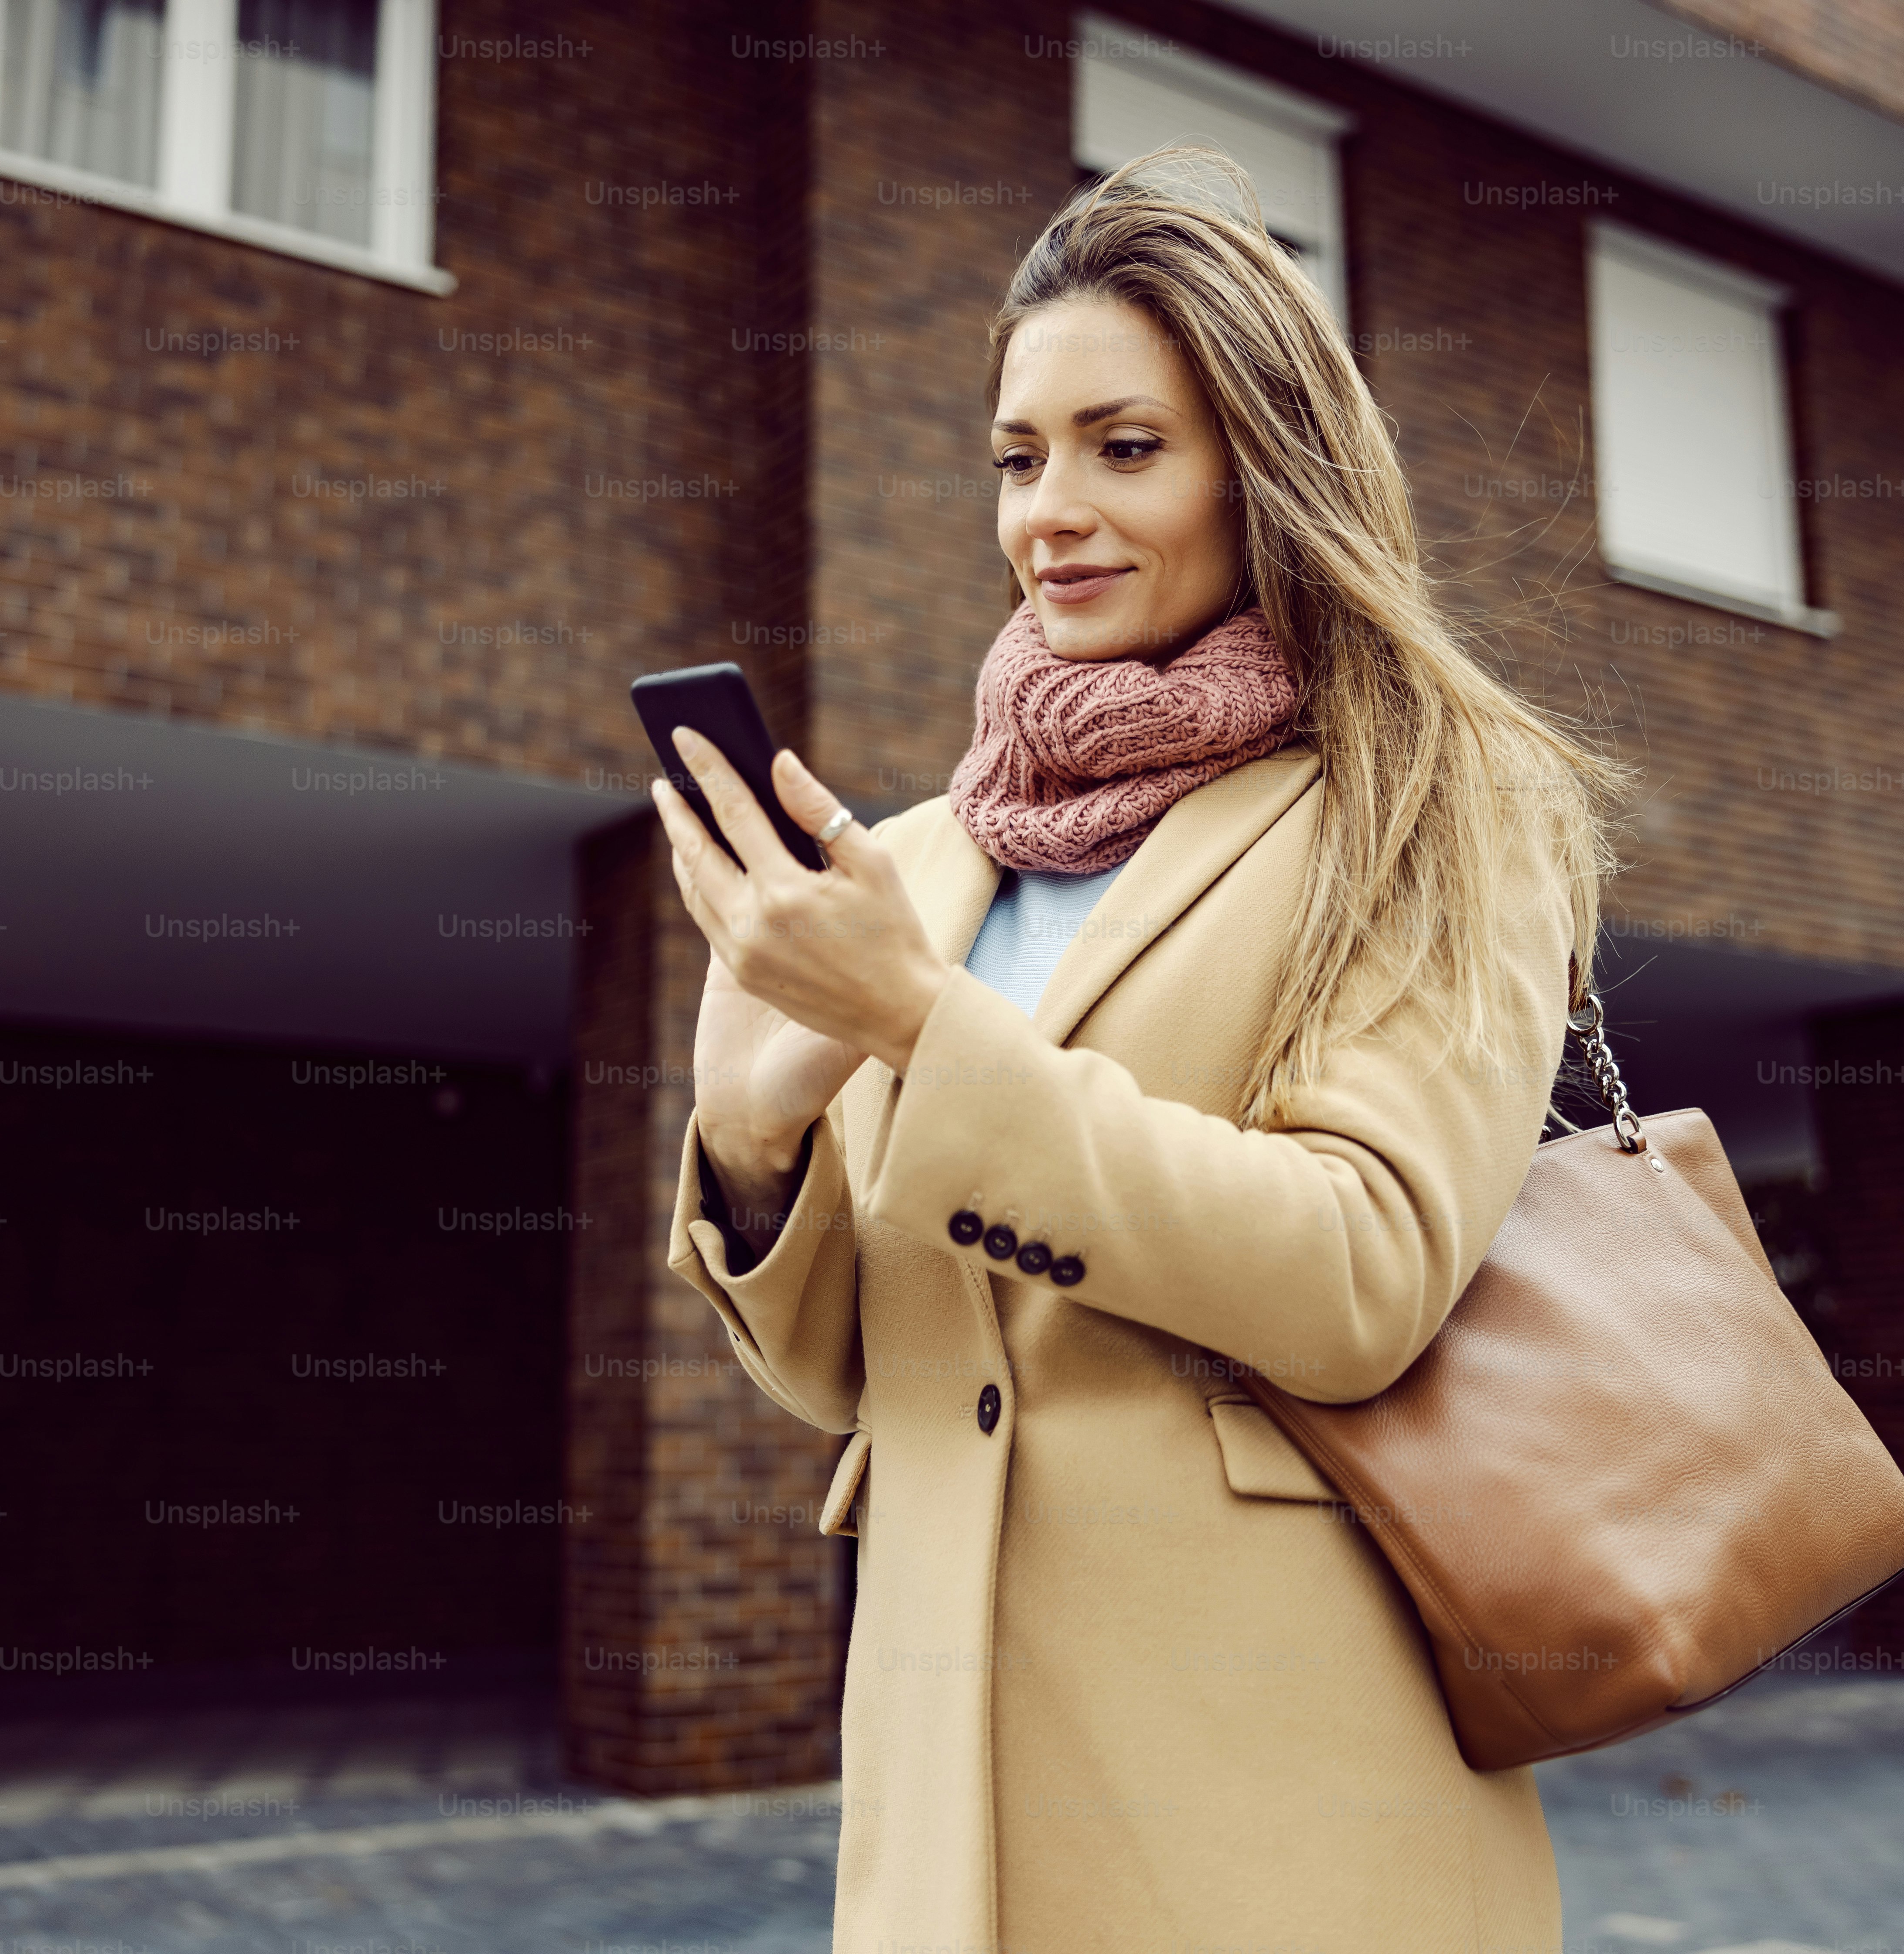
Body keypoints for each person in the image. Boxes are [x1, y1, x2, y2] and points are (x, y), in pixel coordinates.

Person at [648, 147, 1620, 1954]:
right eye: (1019, 457)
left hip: (1284, 1802)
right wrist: (753, 1139)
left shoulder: (1436, 799)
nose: (1052, 512)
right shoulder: (923, 854)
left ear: (1266, 467)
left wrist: (923, 1033)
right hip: (946, 1803)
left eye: (1127, 446)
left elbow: (1362, 1270)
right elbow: (862, 1384)